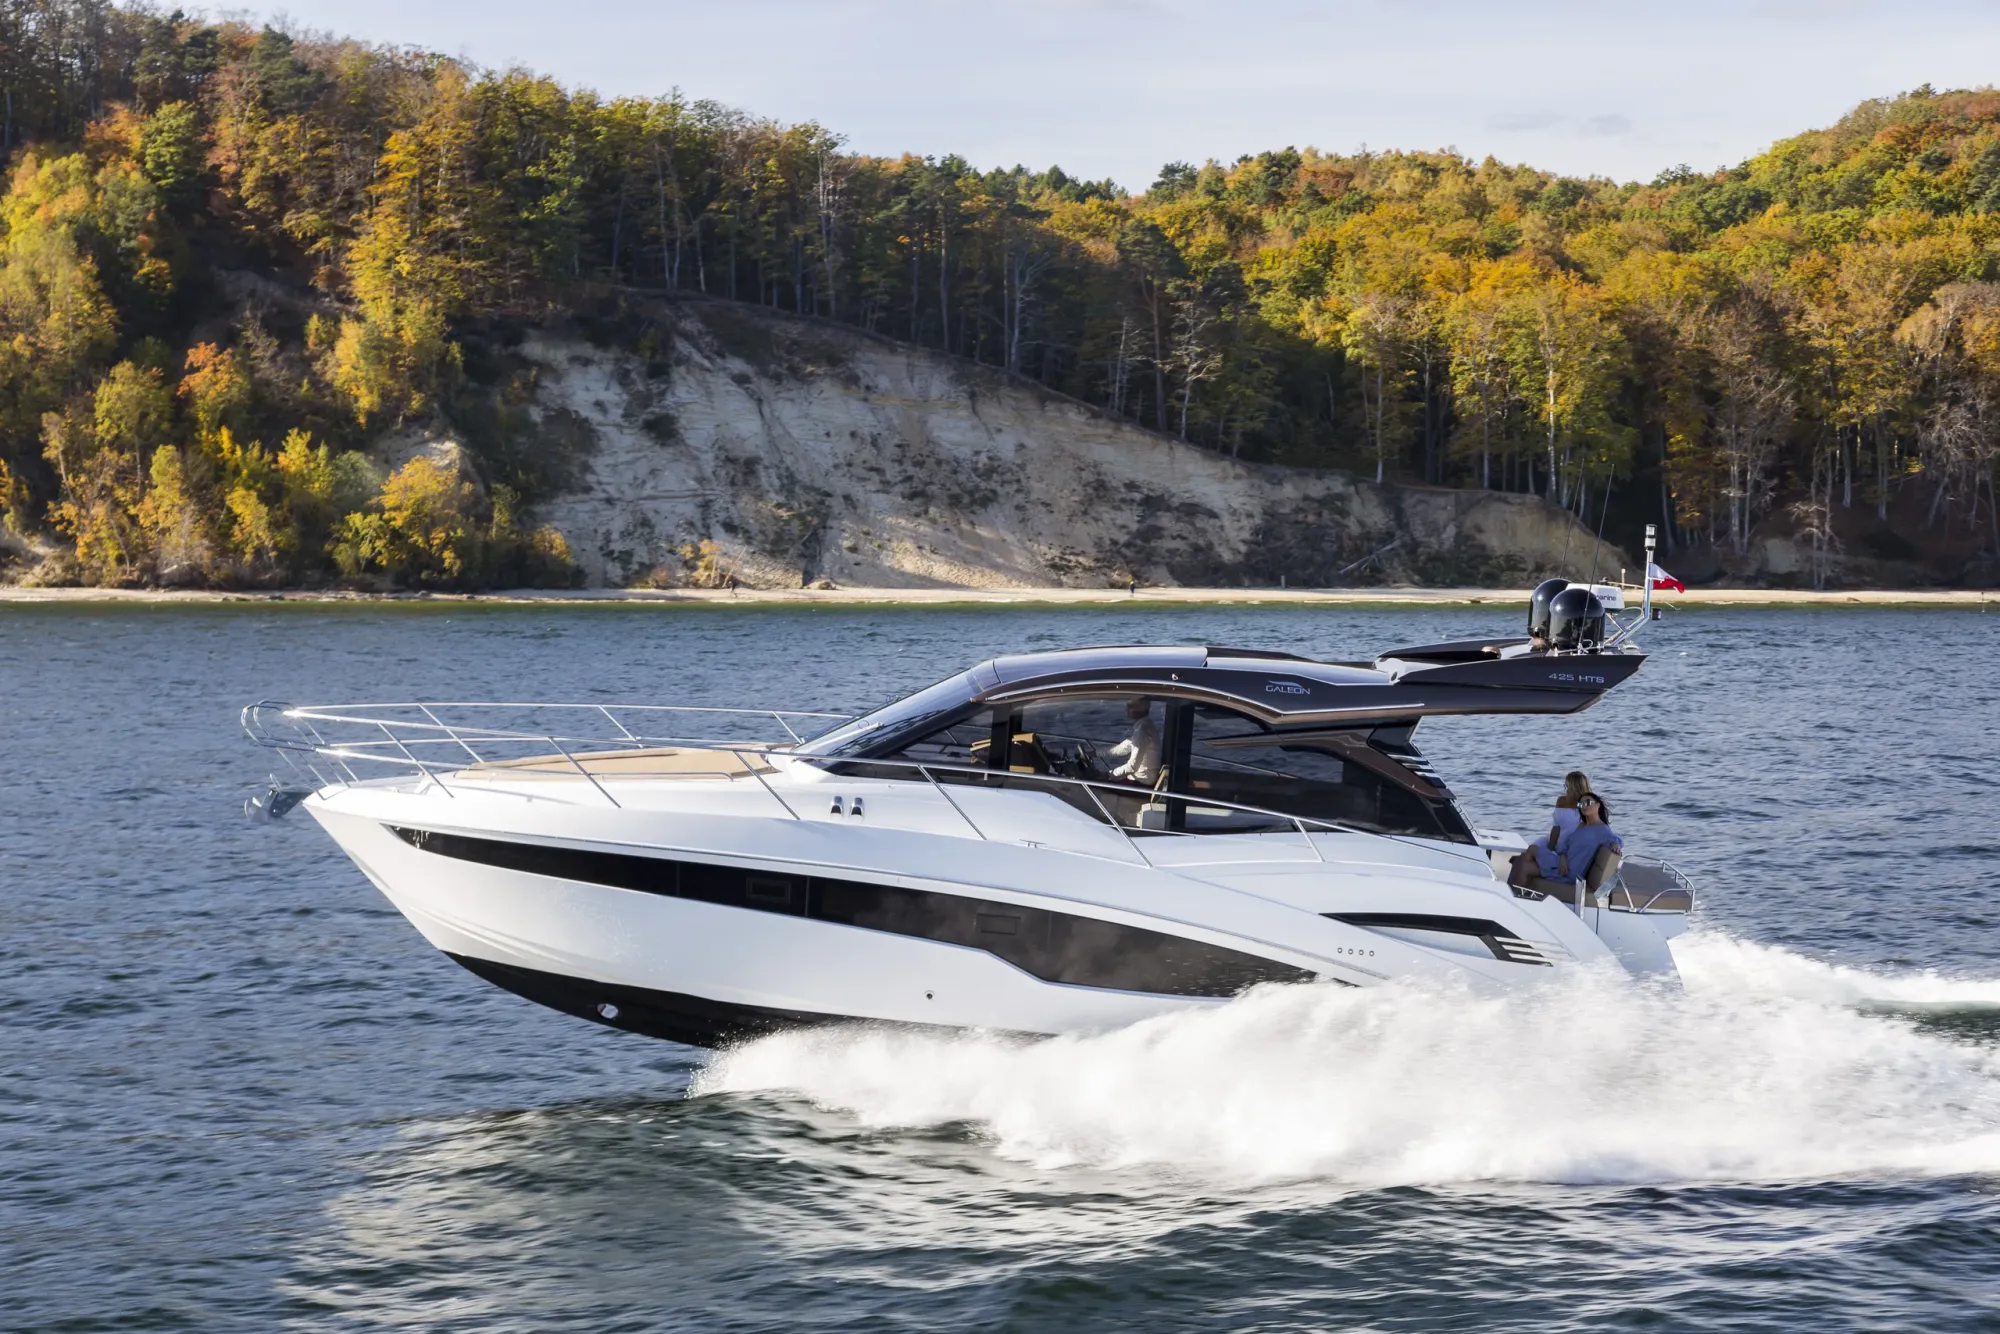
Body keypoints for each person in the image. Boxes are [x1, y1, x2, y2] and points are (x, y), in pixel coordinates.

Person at [1509, 771, 1589, 886]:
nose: (1566, 789)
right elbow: (1556, 827)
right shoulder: (1562, 801)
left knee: (1522, 860)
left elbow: (1581, 839)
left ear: (1576, 788)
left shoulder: (1585, 808)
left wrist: (1563, 855)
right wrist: (1551, 848)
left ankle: (1517, 886)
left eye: (1568, 786)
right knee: (1527, 853)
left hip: (1568, 850)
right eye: (1565, 786)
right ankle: (1515, 888)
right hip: (1557, 842)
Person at [1107, 698, 1161, 786]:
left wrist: (1110, 775)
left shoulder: (1142, 730)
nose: (1127, 709)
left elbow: (1132, 766)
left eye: (1130, 706)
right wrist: (1096, 753)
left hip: (1141, 781)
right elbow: (1124, 748)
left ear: (1141, 708)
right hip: (1142, 778)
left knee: (1098, 783)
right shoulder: (1145, 725)